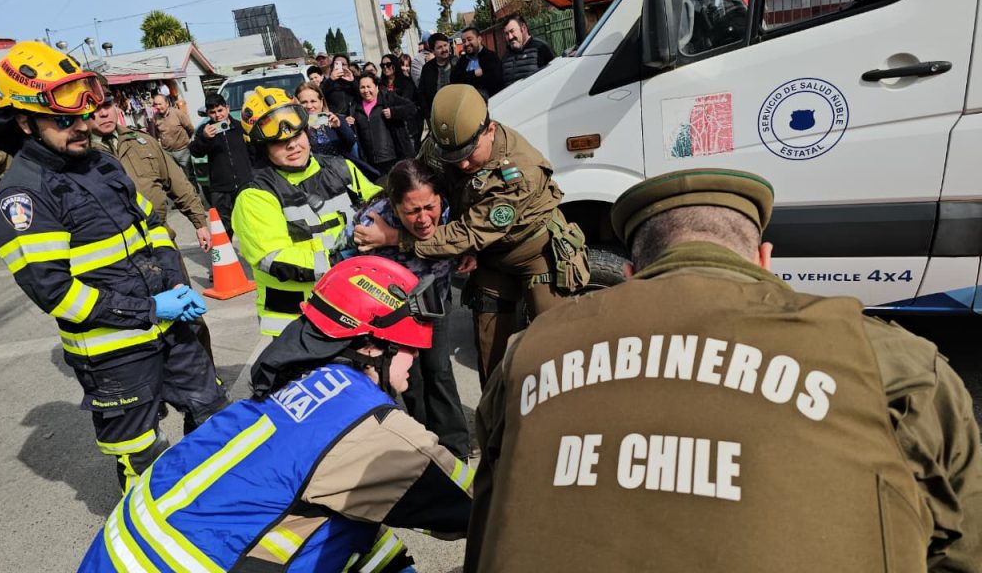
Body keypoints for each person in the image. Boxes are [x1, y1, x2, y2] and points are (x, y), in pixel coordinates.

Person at [465, 168, 982, 572]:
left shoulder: (528, 354)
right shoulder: (893, 364)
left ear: (631, 274)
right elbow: (961, 546)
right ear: (764, 259)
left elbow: (488, 524)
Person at [79, 256, 474, 572]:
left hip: (119, 554)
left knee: (352, 523)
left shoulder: (288, 381)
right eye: (409, 346)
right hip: (193, 562)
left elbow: (350, 525)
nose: (416, 358)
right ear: (372, 346)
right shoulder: (366, 426)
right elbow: (477, 508)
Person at [0, 41, 228, 492]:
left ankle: (215, 505)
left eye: (83, 114)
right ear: (24, 122)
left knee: (214, 417)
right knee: (144, 457)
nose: (81, 125)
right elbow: (58, 295)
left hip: (169, 329)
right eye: (63, 120)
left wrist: (175, 284)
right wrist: (151, 309)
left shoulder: (101, 164)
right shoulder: (23, 199)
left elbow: (152, 228)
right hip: (114, 355)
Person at [356, 85, 590, 388]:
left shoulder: (520, 171)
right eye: (453, 156)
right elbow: (420, 185)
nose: (462, 164)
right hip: (489, 255)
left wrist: (394, 237)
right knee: (490, 349)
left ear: (489, 130)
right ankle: (494, 413)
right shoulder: (441, 148)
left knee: (555, 345)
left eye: (468, 154)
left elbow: (469, 232)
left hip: (535, 251)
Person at [339, 159, 472, 460]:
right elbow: (346, 265)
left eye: (429, 207)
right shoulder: (370, 224)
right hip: (394, 315)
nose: (423, 218)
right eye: (412, 211)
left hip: (435, 302)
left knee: (439, 371)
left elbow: (462, 237)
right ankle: (423, 445)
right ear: (394, 205)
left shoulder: (450, 209)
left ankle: (456, 449)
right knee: (409, 379)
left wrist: (469, 252)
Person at [232, 87, 381, 337]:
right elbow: (275, 259)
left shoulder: (342, 168)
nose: (292, 144)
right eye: (279, 141)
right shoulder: (254, 196)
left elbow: (381, 206)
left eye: (297, 134)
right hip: (296, 322)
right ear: (261, 148)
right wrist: (341, 261)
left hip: (351, 306)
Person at [88, 86, 220, 366]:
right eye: (94, 109)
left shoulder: (142, 141)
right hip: (118, 260)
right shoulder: (79, 154)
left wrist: (199, 222)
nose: (103, 113)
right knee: (139, 327)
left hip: (161, 246)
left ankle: (206, 376)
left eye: (107, 105)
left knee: (189, 316)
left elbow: (178, 183)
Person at [188, 92, 253, 238]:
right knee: (224, 228)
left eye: (220, 110)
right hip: (220, 188)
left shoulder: (240, 127)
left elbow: (253, 152)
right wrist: (205, 138)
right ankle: (226, 252)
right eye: (213, 112)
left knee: (249, 224)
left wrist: (253, 177)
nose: (217, 115)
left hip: (244, 184)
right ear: (208, 113)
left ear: (227, 108)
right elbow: (195, 152)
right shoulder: (204, 131)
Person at [353, 74, 417, 180]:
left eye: (369, 86)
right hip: (370, 161)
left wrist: (394, 112)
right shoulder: (355, 106)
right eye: (362, 87)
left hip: (393, 159)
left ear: (376, 86)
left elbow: (412, 108)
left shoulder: (388, 98)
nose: (366, 90)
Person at [294, 82, 357, 158]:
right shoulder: (295, 126)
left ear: (321, 102)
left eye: (313, 101)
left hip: (338, 164)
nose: (309, 106)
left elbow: (351, 142)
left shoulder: (335, 119)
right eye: (304, 102)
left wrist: (339, 127)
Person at [501, 14, 556, 88]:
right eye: (506, 34)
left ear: (523, 28)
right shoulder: (505, 58)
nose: (510, 37)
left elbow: (554, 76)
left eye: (512, 31)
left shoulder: (540, 48)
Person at [381, 53, 422, 150]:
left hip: (408, 129)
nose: (385, 67)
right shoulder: (380, 85)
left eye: (388, 64)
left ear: (395, 64)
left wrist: (393, 111)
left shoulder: (406, 82)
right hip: (390, 130)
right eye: (382, 65)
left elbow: (409, 106)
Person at [150, 93, 195, 179]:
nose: (158, 107)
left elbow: (190, 129)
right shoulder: (155, 117)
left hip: (183, 151)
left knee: (189, 176)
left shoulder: (177, 113)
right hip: (168, 153)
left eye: (160, 104)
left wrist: (187, 142)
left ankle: (193, 188)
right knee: (175, 178)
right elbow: (156, 134)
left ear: (167, 103)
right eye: (156, 104)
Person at [452, 26, 504, 100]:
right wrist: (474, 73)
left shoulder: (490, 57)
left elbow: (493, 81)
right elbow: (454, 79)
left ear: (479, 39)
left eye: (469, 39)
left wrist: (465, 78)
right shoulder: (462, 60)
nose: (466, 44)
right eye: (463, 41)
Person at [417, 33, 456, 118]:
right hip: (436, 115)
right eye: (439, 47)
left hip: (457, 111)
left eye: (445, 45)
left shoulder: (457, 62)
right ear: (433, 51)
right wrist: (428, 114)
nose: (444, 49)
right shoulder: (427, 68)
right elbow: (421, 93)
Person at [321, 53, 361, 121]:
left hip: (353, 120)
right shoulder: (327, 82)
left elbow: (361, 97)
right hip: (335, 120)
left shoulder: (355, 80)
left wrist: (352, 82)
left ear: (348, 66)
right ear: (333, 66)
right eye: (337, 64)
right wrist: (331, 80)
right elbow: (320, 95)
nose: (341, 67)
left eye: (343, 64)